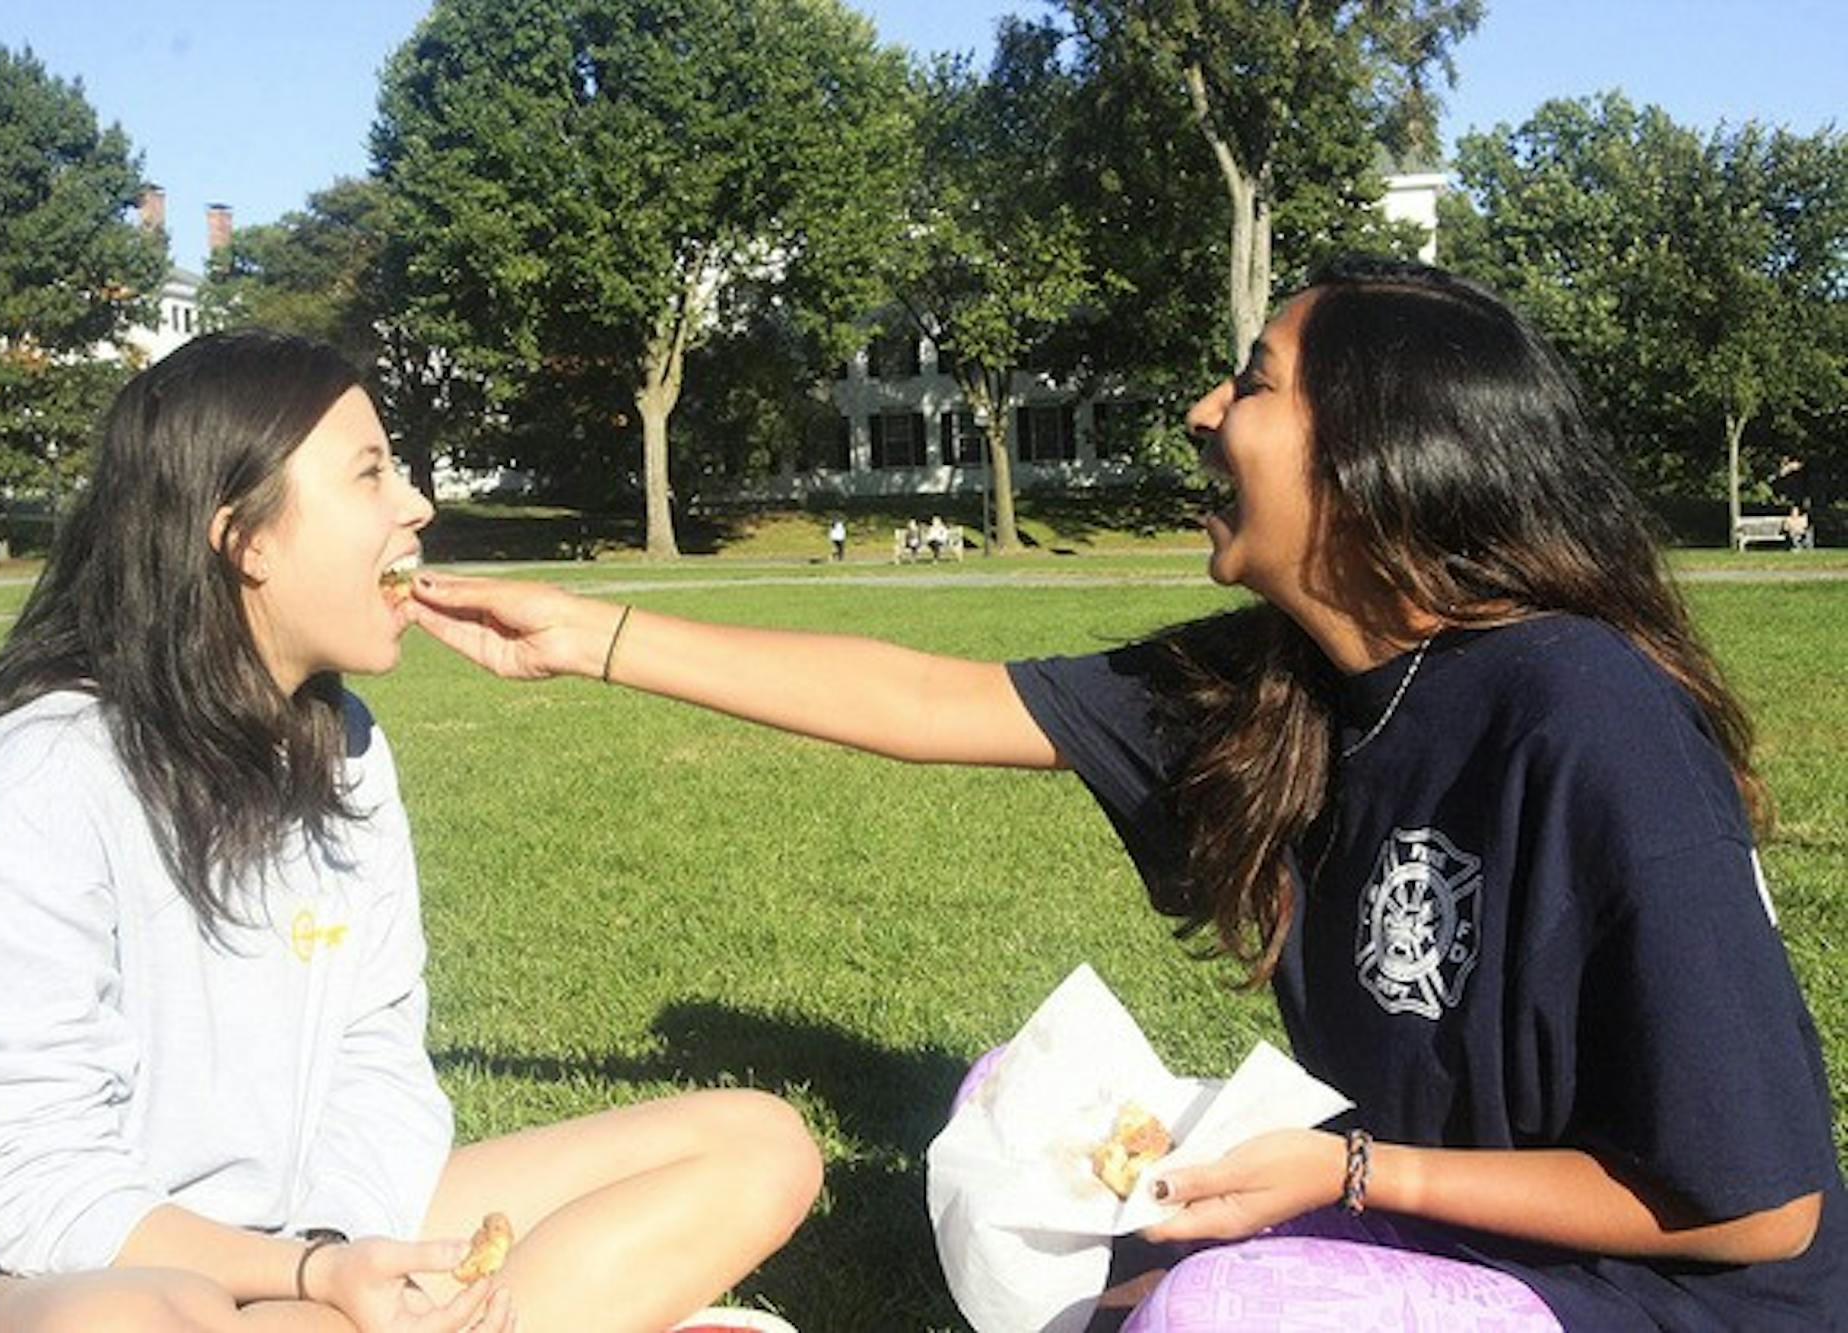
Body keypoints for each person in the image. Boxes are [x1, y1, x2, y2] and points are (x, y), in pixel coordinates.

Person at [403, 259, 1845, 1331]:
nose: (1208, 407)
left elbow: (1754, 1207)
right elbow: (928, 700)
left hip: (1670, 1300)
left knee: (1219, 1311)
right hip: (1441, 1231)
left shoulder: (1583, 709)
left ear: (1380, 446)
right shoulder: (1282, 683)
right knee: (1014, 1115)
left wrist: (1346, 1180)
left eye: (1257, 380)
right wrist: (591, 637)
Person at [0, 332, 822, 1333]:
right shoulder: (47, 771)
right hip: (36, 1278)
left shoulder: (343, 746)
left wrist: (341, 1248)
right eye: (370, 474)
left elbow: (375, 1051)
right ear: (244, 538)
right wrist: (308, 1279)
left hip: (294, 1240)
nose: (416, 504)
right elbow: (30, 1178)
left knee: (754, 1146)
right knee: (143, 1319)